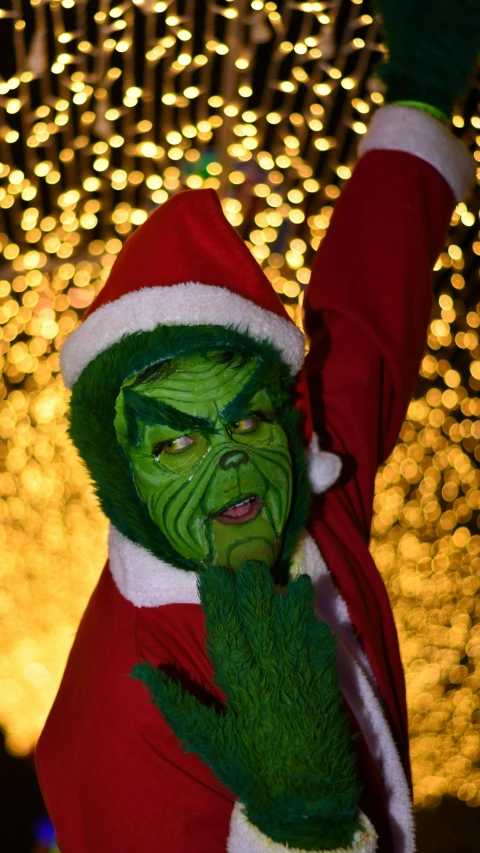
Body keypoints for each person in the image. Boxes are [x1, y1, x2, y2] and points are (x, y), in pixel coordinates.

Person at [36, 3, 480, 851]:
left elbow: (365, 317)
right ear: (116, 471)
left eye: (249, 417)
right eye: (175, 442)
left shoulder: (310, 479)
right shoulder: (124, 701)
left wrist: (421, 95)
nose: (233, 467)